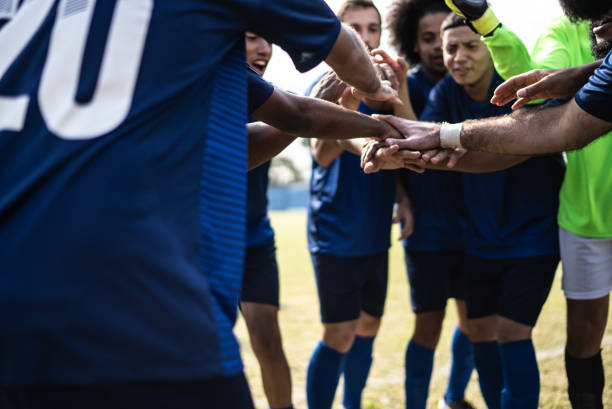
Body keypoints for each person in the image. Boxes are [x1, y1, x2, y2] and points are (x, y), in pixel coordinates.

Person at [0, 1, 404, 407]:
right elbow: (342, 52)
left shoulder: (55, 26)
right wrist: (376, 89)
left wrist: (380, 127)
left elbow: (290, 116)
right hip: (141, 301)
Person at [440, 3, 612, 407]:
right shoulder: (563, 31)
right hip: (586, 216)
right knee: (584, 337)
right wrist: (486, 21)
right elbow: (533, 93)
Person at [393, 14, 563, 409]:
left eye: (471, 46)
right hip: (480, 240)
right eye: (451, 48)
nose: (458, 57)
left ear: (490, 48)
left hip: (530, 236)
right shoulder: (446, 94)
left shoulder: (522, 87)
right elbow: (420, 134)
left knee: (511, 332)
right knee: (481, 331)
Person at [304, 2, 401, 408]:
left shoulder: (388, 89)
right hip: (335, 231)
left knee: (369, 327)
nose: (365, 36)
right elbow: (321, 155)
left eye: (373, 27)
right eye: (354, 28)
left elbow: (407, 147)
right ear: (339, 34)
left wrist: (405, 202)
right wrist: (345, 115)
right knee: (338, 333)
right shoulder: (325, 87)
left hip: (376, 227)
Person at [388, 2, 476, 408]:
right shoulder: (410, 85)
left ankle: (455, 397)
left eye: (443, 36)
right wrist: (402, 198)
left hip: (476, 226)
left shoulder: (475, 83)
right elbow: (406, 145)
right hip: (428, 227)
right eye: (427, 39)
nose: (438, 47)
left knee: (474, 323)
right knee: (428, 325)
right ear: (414, 43)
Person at [242, 32, 295, 409]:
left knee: (266, 335)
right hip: (202, 240)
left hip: (254, 237)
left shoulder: (268, 97)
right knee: (204, 342)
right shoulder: (205, 86)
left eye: (269, 39)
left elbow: (305, 115)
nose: (264, 49)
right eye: (250, 38)